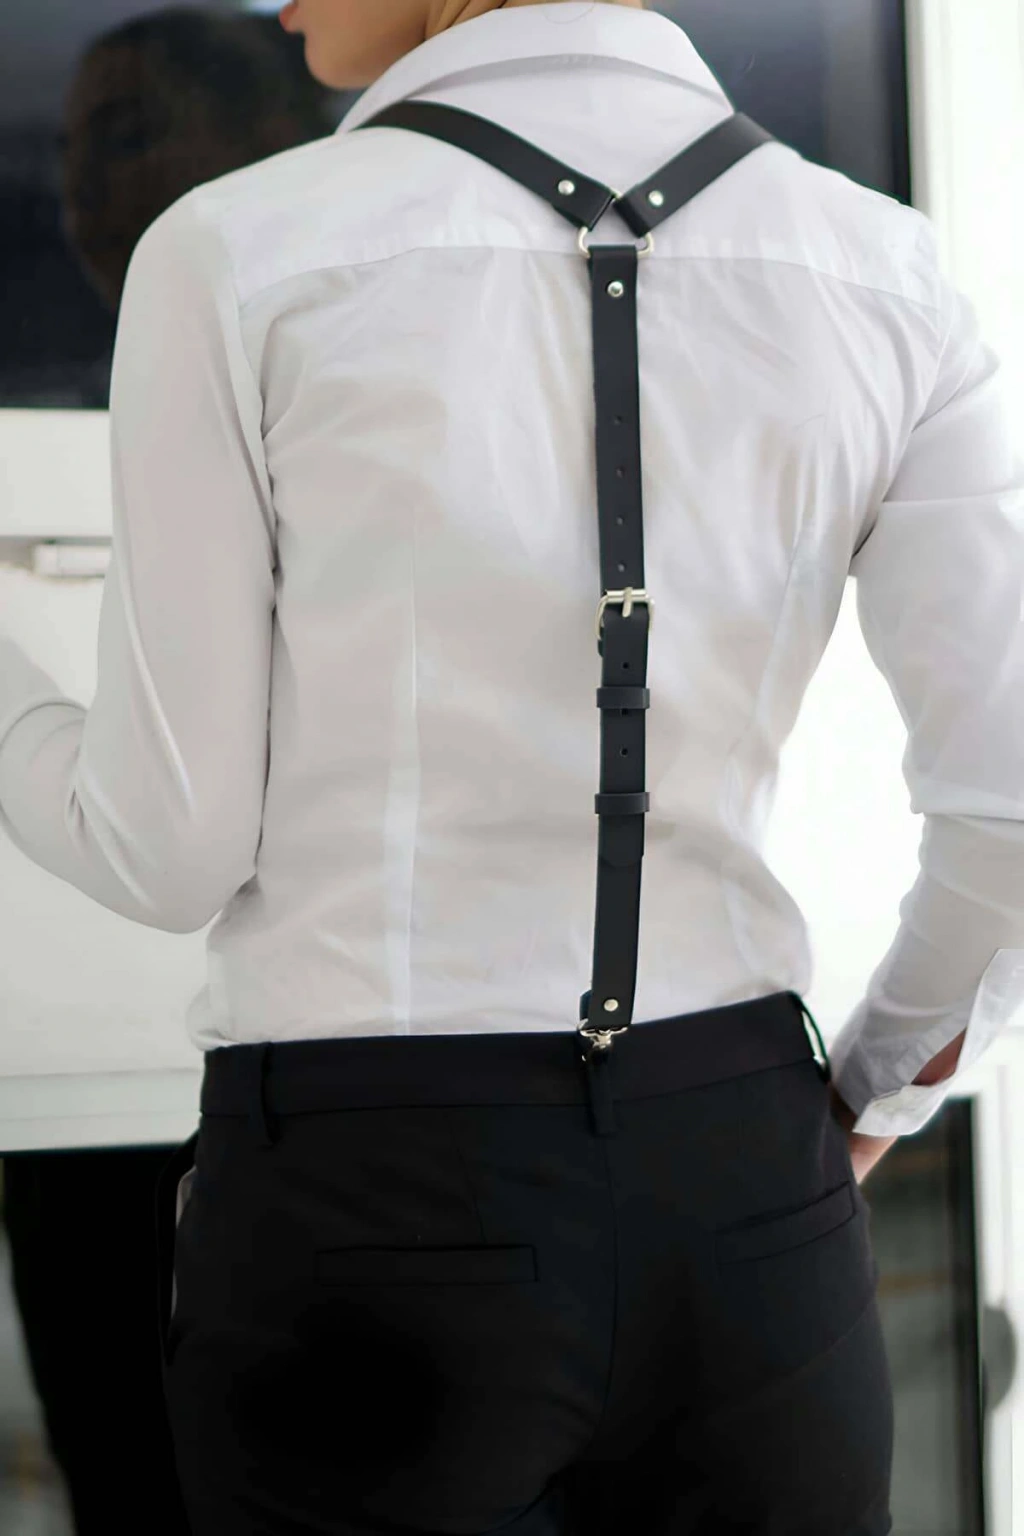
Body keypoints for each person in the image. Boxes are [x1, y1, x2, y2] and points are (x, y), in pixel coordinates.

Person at [0, 0, 1021, 1531]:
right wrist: (872, 1090)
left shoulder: (239, 252)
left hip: (372, 1204)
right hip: (756, 1200)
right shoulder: (885, 268)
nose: (283, 2)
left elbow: (166, 846)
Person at [1, 12, 336, 1535]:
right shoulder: (65, 377)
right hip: (77, 1102)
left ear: (263, 147)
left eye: (127, 134)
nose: (84, 186)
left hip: (308, 1090)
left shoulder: (348, 382)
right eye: (70, 150)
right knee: (124, 1471)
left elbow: (169, 847)